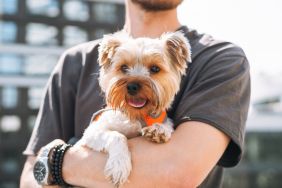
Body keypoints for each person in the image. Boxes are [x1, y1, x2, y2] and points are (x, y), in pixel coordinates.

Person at [20, 0, 250, 187]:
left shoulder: (220, 59)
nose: (135, 82)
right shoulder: (74, 62)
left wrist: (56, 162)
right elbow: (30, 178)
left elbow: (174, 174)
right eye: (124, 68)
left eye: (155, 69)